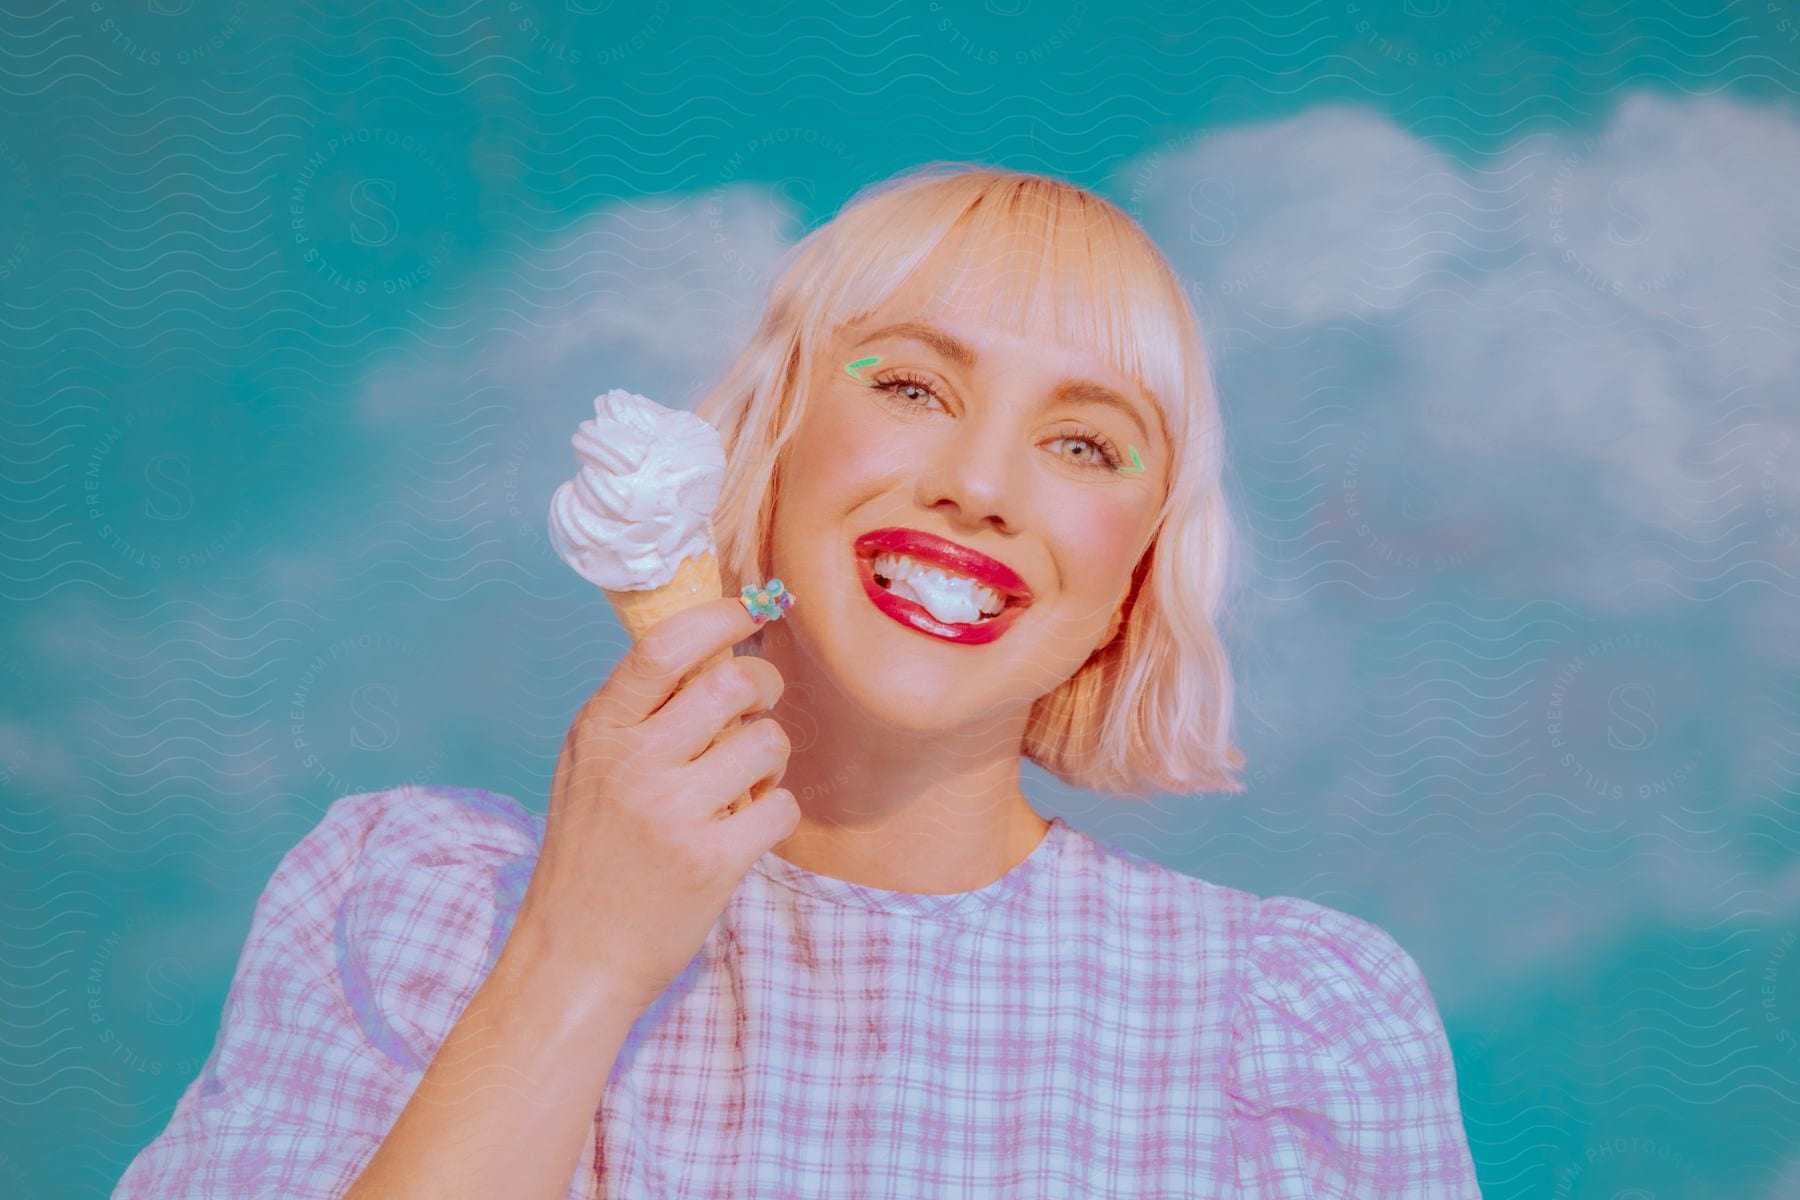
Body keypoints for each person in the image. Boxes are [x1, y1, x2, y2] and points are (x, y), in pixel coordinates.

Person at [112, 163, 1482, 1198]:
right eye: (913, 388)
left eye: (1085, 446)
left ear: (1130, 576)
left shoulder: (1296, 1025)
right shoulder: (414, 901)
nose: (979, 484)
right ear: (771, 449)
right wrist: (575, 961)